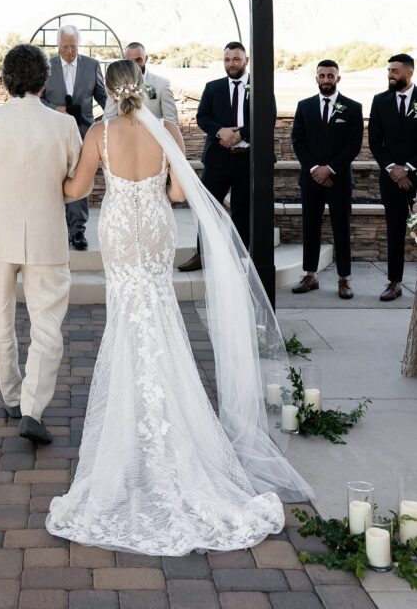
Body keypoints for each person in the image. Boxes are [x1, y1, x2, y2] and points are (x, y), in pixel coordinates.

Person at [45, 59, 311, 555]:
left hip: (121, 231)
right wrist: (157, 184)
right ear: (142, 87)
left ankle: (128, 433)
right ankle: (177, 430)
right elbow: (176, 192)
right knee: (160, 316)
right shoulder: (167, 128)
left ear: (108, 89)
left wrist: (50, 179)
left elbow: (77, 190)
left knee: (126, 321)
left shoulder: (98, 133)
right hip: (157, 230)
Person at [0, 44, 82, 444]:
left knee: (1, 319)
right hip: (47, 237)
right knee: (47, 327)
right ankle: (32, 409)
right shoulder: (65, 126)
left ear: (6, 80)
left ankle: (11, 396)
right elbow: (76, 185)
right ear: (45, 80)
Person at [290, 60, 363, 299]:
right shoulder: (305, 106)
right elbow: (297, 141)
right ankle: (310, 275)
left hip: (339, 179)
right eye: (322, 76)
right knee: (310, 227)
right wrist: (314, 169)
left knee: (341, 228)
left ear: (338, 78)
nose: (326, 80)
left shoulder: (352, 107)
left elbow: (353, 145)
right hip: (311, 178)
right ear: (316, 78)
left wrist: (329, 169)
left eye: (330, 76)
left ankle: (344, 279)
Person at [180, 41, 252, 271]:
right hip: (217, 160)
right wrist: (220, 131)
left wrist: (240, 133)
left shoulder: (259, 86)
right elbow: (202, 117)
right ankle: (202, 254)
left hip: (247, 160)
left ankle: (240, 258)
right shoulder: (213, 87)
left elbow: (266, 117)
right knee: (208, 208)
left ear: (246, 61)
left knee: (243, 211)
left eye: (236, 59)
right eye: (227, 59)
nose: (231, 64)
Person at [42, 25, 106, 251]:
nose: (69, 51)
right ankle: (53, 229)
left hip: (83, 133)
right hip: (52, 133)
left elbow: (104, 98)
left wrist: (113, 123)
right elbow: (35, 98)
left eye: (73, 46)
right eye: (65, 46)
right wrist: (53, 108)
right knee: (52, 180)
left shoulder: (92, 65)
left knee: (80, 179)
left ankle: (78, 231)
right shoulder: (46, 66)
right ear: (58, 45)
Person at [368, 53, 417, 302]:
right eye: (388, 70)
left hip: (416, 177)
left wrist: (408, 168)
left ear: (409, 73)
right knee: (395, 230)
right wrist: (394, 170)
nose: (390, 75)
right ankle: (394, 283)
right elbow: (375, 140)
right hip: (390, 179)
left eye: (395, 71)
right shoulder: (380, 101)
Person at [103, 42, 179, 124]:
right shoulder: (116, 85)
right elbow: (107, 118)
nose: (134, 64)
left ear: (146, 58)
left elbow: (172, 120)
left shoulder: (162, 84)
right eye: (130, 61)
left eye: (138, 60)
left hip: (153, 135)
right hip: (124, 135)